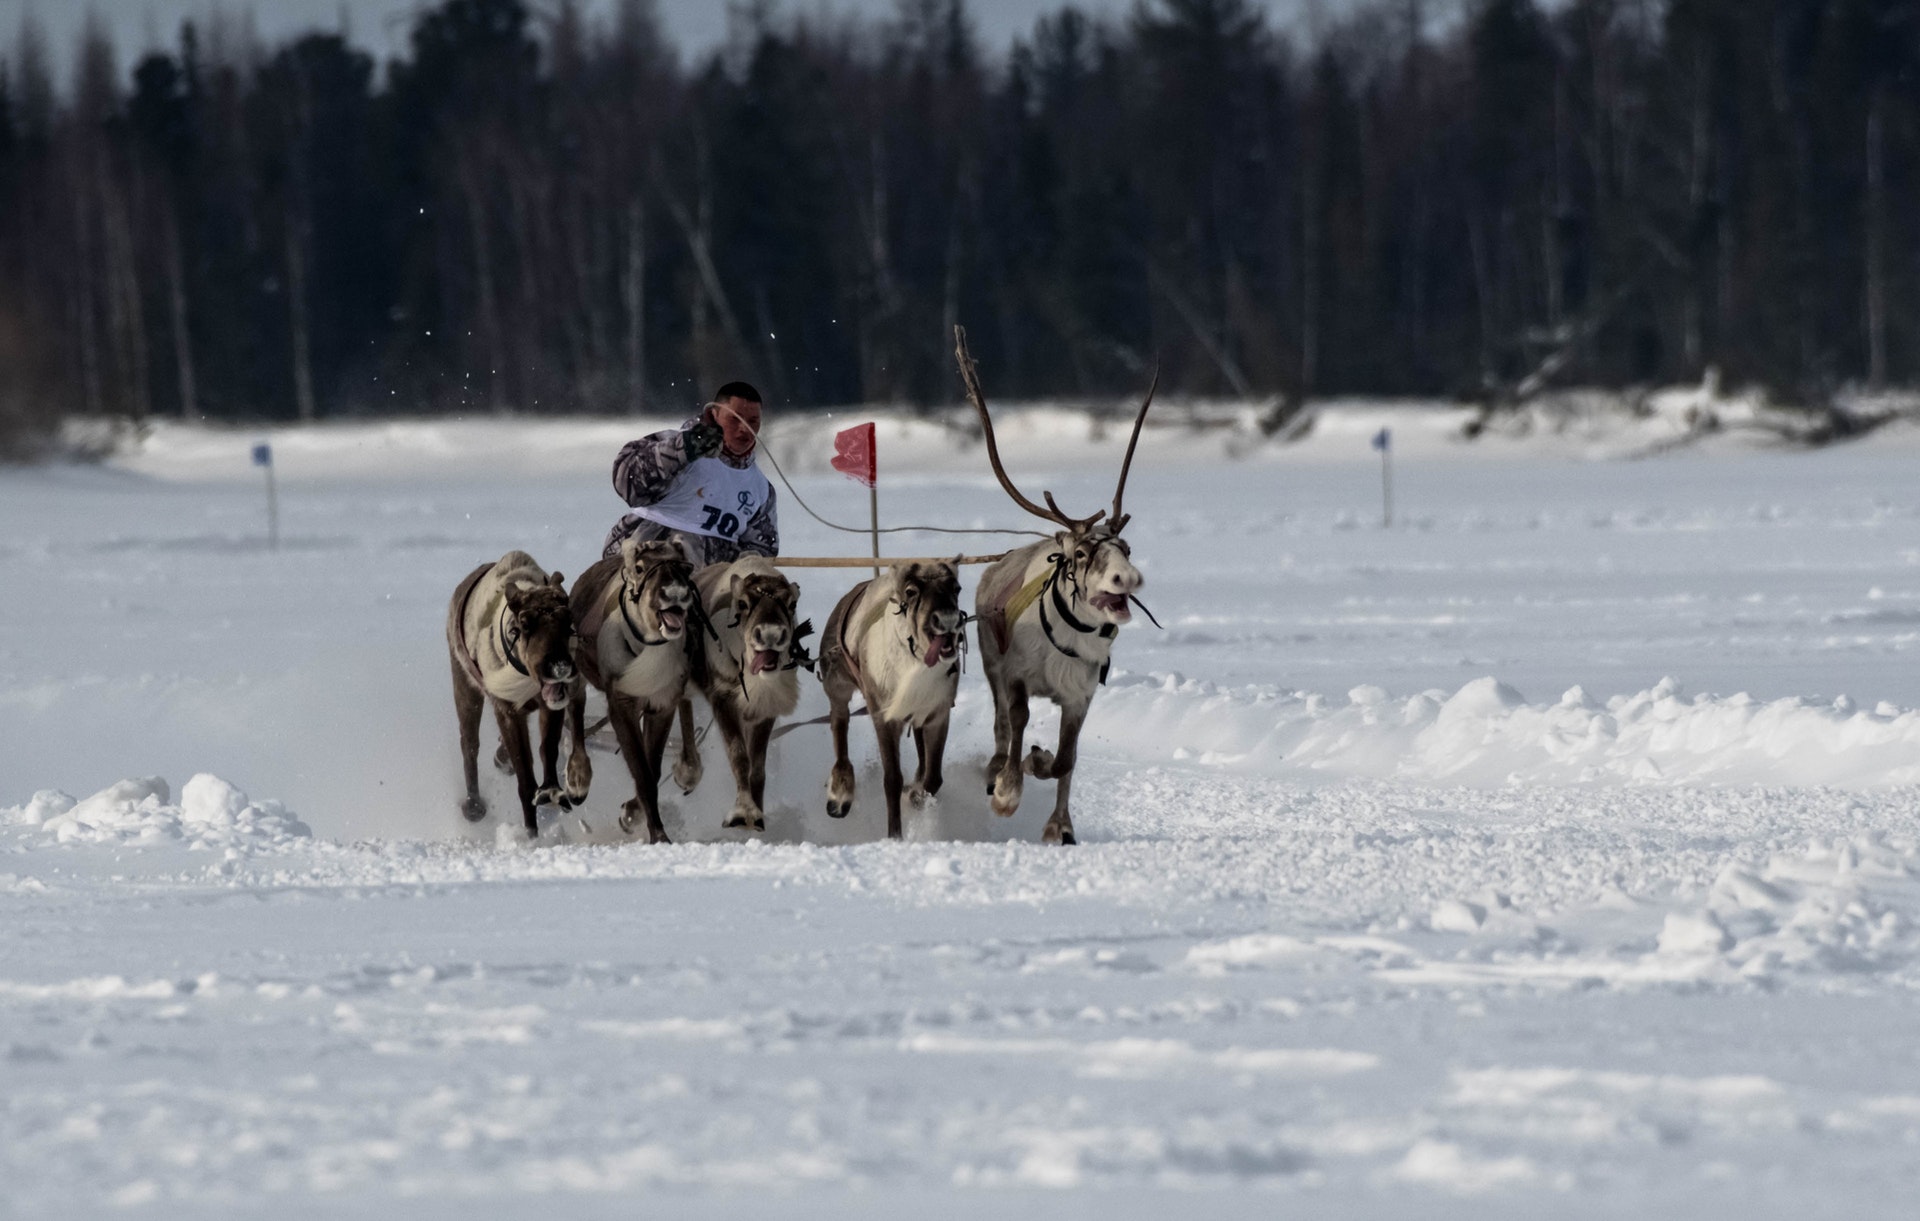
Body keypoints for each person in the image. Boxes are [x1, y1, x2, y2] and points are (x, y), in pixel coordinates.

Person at [602, 381, 778, 566]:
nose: (744, 428)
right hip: (645, 564)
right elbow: (626, 481)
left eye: (753, 421)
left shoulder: (761, 489)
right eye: (735, 419)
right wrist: (685, 448)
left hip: (710, 579)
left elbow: (761, 549)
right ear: (714, 415)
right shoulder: (675, 445)